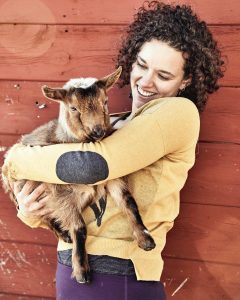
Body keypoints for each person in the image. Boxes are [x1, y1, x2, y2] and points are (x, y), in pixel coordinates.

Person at [3, 1, 224, 299]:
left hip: (121, 276)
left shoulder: (178, 114)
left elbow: (91, 166)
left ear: (186, 81)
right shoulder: (114, 126)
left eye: (164, 75)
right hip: (70, 266)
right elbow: (67, 191)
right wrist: (30, 210)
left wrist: (15, 158)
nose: (146, 82)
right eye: (142, 66)